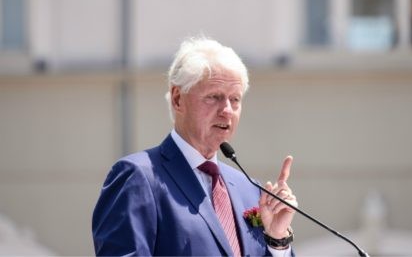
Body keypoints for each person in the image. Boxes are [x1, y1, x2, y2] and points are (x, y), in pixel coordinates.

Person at [92, 38, 298, 256]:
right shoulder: (139, 177)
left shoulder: (249, 189)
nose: (227, 110)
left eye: (235, 99)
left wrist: (277, 241)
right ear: (178, 99)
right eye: (214, 97)